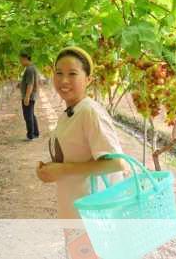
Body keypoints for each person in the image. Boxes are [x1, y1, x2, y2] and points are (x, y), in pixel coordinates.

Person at [36, 47, 126, 258]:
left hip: (94, 216)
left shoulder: (90, 112)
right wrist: (50, 170)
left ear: (88, 79)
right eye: (59, 73)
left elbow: (117, 164)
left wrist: (64, 169)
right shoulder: (69, 113)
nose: (63, 80)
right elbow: (74, 156)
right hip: (76, 211)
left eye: (72, 74)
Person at [19, 52, 39, 140]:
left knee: (27, 115)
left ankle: (31, 135)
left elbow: (30, 84)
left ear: (25, 58)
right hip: (31, 95)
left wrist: (27, 97)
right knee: (31, 114)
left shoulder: (30, 69)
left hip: (29, 96)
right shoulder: (31, 68)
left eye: (21, 60)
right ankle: (35, 133)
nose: (20, 62)